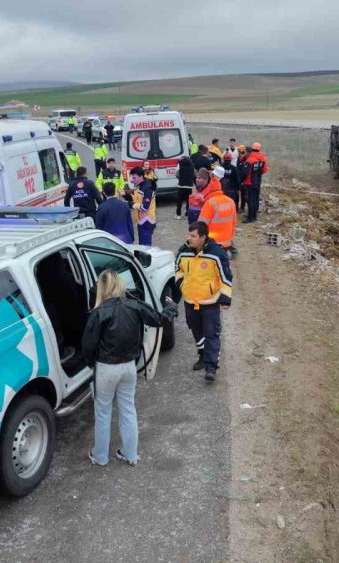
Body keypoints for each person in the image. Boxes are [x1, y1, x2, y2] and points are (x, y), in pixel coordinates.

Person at [82, 270, 177, 466]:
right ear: (121, 285)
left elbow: (88, 346)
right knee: (128, 409)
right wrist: (171, 306)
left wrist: (92, 365)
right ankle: (130, 454)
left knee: (103, 412)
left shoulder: (99, 313)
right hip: (129, 368)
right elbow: (160, 320)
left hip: (106, 369)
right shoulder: (134, 305)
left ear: (101, 288)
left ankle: (100, 456)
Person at [175, 221, 233, 382]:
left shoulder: (216, 254)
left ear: (203, 237)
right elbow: (178, 270)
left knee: (211, 334)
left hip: (210, 303)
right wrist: (182, 286)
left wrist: (225, 299)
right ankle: (202, 355)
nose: (189, 238)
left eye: (193, 236)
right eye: (189, 235)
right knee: (196, 330)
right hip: (189, 301)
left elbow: (226, 278)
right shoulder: (184, 251)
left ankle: (211, 368)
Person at [200, 166, 239, 258]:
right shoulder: (223, 183)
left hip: (215, 236)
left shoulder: (218, 185)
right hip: (225, 212)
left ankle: (233, 250)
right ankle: (232, 250)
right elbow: (234, 221)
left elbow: (202, 224)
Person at [127, 166, 157, 245]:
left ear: (141, 177)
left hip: (147, 221)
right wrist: (126, 195)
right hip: (141, 220)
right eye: (131, 178)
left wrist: (132, 205)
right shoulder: (140, 185)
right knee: (142, 246)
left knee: (145, 247)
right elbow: (137, 198)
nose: (132, 180)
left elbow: (144, 207)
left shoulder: (147, 188)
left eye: (134, 178)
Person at [243, 142, 269, 223]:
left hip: (249, 181)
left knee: (250, 199)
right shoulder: (263, 158)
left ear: (252, 148)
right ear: (259, 149)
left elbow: (245, 172)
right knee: (255, 198)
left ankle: (250, 217)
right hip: (257, 180)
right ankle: (254, 216)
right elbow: (264, 170)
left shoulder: (250, 158)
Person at [175, 155, 195, 220]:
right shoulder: (192, 165)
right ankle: (187, 215)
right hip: (189, 186)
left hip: (181, 185)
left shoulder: (180, 165)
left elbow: (177, 174)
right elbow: (194, 175)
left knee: (179, 201)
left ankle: (178, 215)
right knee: (188, 201)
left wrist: (180, 178)